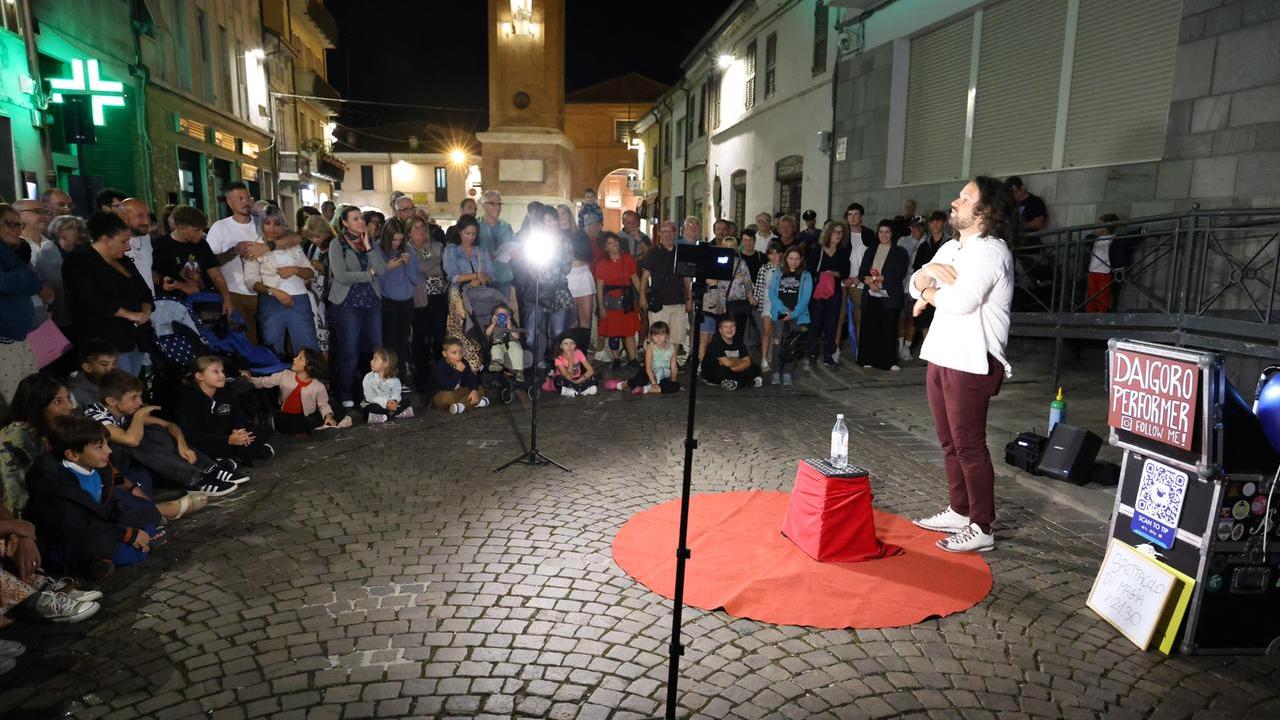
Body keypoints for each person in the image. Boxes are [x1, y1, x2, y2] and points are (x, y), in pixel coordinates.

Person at [909, 177, 1016, 554]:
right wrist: (928, 281)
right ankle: (959, 509)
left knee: (969, 445)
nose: (955, 202)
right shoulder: (953, 247)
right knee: (948, 442)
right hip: (942, 354)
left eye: (966, 198)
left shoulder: (991, 251)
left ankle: (982, 526)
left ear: (986, 211)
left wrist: (929, 291)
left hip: (972, 360)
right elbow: (914, 282)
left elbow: (961, 302)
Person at [27, 415, 163, 577]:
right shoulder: (55, 485)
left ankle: (141, 542)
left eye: (106, 444)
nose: (109, 450)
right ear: (73, 455)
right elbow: (77, 529)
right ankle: (133, 548)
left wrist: (127, 523)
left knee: (148, 511)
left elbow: (104, 506)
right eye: (99, 447)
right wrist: (125, 533)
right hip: (68, 541)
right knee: (111, 548)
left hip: (99, 526)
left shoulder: (96, 466)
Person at [85, 369, 241, 497]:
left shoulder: (125, 409)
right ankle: (195, 480)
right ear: (112, 401)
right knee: (140, 438)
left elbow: (169, 425)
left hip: (132, 459)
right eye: (134, 397)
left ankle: (209, 469)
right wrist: (139, 415)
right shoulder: (95, 415)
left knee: (154, 430)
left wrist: (182, 445)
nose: (140, 402)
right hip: (107, 466)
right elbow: (131, 440)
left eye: (140, 396)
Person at [62, 212, 153, 376]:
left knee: (132, 384)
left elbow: (144, 292)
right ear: (105, 239)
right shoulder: (79, 260)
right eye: (123, 241)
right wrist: (130, 315)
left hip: (135, 337)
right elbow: (92, 298)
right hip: (105, 340)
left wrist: (145, 312)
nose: (128, 247)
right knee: (117, 385)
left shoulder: (124, 261)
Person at [328, 205, 386, 407]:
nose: (361, 221)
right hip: (348, 303)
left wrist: (369, 247)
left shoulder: (370, 242)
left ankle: (374, 392)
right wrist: (367, 275)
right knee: (350, 350)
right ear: (344, 222)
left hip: (371, 302)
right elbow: (340, 275)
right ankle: (346, 393)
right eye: (355, 219)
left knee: (376, 349)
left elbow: (381, 269)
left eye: (361, 218)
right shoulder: (337, 244)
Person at [243, 207, 318, 358]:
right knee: (272, 351)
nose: (272, 228)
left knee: (307, 351)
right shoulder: (254, 248)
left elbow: (311, 272)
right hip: (270, 301)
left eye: (276, 223)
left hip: (299, 300)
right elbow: (250, 280)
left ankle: (310, 374)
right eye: (267, 223)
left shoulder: (292, 244)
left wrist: (296, 270)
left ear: (282, 224)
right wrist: (273, 292)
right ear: (261, 224)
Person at [175, 357, 274, 465]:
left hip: (229, 434)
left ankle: (236, 456)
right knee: (203, 448)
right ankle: (242, 454)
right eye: (215, 372)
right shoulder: (188, 400)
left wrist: (240, 431)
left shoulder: (226, 392)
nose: (222, 375)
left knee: (261, 431)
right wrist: (227, 440)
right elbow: (193, 435)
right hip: (208, 440)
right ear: (200, 376)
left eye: (222, 371)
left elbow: (238, 417)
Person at [205, 182, 269, 344]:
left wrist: (265, 248)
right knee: (245, 341)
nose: (246, 202)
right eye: (240, 199)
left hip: (264, 292)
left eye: (248, 197)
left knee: (268, 340)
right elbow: (210, 263)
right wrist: (234, 251)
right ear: (229, 202)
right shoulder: (220, 227)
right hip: (234, 293)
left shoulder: (263, 225)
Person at [0, 204, 46, 406]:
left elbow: (36, 282)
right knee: (9, 401)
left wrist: (23, 278)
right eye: (10, 224)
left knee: (29, 396)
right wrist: (24, 276)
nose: (17, 230)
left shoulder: (12, 252)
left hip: (19, 336)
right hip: (4, 338)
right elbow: (5, 282)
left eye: (18, 225)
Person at [245, 349, 348, 434]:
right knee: (291, 422)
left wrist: (328, 417)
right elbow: (264, 381)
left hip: (306, 416)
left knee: (331, 408)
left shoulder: (318, 386)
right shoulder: (285, 375)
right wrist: (249, 379)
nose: (294, 358)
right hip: (286, 416)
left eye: (300, 358)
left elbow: (323, 404)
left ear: (309, 367)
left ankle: (326, 423)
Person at [858, 219, 910, 372]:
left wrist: (877, 279)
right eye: (881, 232)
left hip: (890, 296)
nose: (884, 235)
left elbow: (899, 274)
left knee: (888, 329)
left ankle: (888, 362)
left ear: (892, 234)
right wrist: (870, 283)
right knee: (870, 328)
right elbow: (862, 272)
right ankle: (867, 359)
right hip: (871, 294)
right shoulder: (870, 250)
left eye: (887, 232)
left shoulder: (900, 252)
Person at [151, 206, 231, 301]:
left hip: (202, 300)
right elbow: (151, 274)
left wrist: (227, 300)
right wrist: (180, 285)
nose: (201, 234)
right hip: (172, 302)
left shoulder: (202, 244)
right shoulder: (160, 245)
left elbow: (216, 275)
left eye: (202, 229)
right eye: (196, 230)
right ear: (181, 228)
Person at [639, 221, 692, 364]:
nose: (667, 235)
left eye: (670, 231)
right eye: (664, 231)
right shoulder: (653, 253)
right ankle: (658, 365)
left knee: (676, 338)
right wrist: (642, 297)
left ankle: (671, 365)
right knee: (658, 338)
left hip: (678, 301)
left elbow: (686, 278)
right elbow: (645, 277)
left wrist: (689, 298)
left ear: (675, 233)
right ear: (659, 234)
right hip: (659, 303)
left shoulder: (681, 253)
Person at [375, 218, 420, 380]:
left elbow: (416, 280)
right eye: (394, 239)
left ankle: (400, 377)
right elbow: (374, 281)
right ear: (386, 237)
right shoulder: (377, 249)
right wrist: (387, 268)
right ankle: (385, 377)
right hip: (387, 302)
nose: (397, 243)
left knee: (402, 341)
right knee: (387, 341)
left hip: (406, 302)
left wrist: (407, 266)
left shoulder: (409, 250)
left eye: (400, 239)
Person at [407, 215, 448, 387]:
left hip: (439, 295)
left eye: (422, 226)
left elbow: (441, 267)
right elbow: (420, 268)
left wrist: (427, 268)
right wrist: (431, 266)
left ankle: (441, 370)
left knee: (439, 333)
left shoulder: (437, 246)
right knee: (419, 335)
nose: (421, 230)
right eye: (415, 227)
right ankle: (422, 373)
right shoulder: (407, 249)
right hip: (418, 298)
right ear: (409, 232)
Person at [806, 220, 851, 367]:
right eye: (835, 232)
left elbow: (846, 272)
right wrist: (822, 274)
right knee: (815, 324)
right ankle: (812, 355)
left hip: (834, 291)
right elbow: (809, 269)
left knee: (831, 324)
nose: (838, 235)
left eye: (841, 232)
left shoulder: (843, 251)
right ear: (828, 233)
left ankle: (828, 356)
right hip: (818, 291)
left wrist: (836, 273)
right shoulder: (817, 249)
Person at [593, 232, 640, 369]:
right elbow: (599, 288)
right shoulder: (602, 264)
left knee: (629, 331)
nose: (615, 245)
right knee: (613, 332)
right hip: (610, 302)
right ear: (605, 248)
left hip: (627, 300)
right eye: (610, 243)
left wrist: (642, 296)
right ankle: (616, 359)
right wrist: (601, 308)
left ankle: (633, 359)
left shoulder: (628, 259)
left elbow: (635, 279)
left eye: (615, 241)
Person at [769, 246, 813, 386]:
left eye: (797, 259)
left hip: (798, 315)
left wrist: (793, 313)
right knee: (778, 344)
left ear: (801, 260)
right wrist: (783, 310)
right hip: (780, 314)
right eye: (791, 258)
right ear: (786, 258)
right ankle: (776, 372)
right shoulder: (778, 272)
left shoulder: (806, 275)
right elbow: (772, 293)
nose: (794, 262)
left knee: (793, 345)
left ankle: (787, 373)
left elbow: (806, 297)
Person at [37, 215, 88, 330]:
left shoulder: (79, 251)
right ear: (60, 232)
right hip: (59, 315)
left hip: (76, 312)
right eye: (73, 228)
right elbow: (56, 286)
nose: (79, 233)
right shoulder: (49, 251)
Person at [911, 210, 951, 348]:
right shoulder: (924, 245)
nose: (935, 224)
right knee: (925, 322)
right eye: (932, 222)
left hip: (944, 288)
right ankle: (929, 353)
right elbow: (917, 268)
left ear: (944, 223)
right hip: (926, 288)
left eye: (938, 221)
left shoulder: (951, 243)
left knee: (942, 322)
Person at [300, 214, 334, 354]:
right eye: (311, 237)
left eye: (317, 237)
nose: (314, 240)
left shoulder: (336, 246)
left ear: (326, 233)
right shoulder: (312, 247)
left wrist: (323, 268)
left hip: (330, 299)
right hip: (316, 297)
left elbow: (340, 274)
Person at [700, 317, 762, 391]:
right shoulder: (716, 342)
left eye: (732, 326)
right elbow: (727, 363)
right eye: (726, 327)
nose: (729, 329)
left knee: (755, 368)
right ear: (720, 330)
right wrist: (741, 361)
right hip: (715, 372)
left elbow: (748, 362)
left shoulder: (738, 341)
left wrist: (734, 363)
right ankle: (749, 382)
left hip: (733, 369)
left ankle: (736, 383)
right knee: (725, 370)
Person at [431, 337, 489, 414]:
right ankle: (473, 403)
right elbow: (448, 387)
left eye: (460, 352)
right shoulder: (440, 367)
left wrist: (474, 390)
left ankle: (461, 405)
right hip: (444, 393)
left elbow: (471, 377)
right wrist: (458, 371)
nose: (458, 356)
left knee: (478, 387)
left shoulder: (463, 362)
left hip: (460, 392)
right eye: (454, 353)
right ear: (444, 354)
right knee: (448, 397)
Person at [896, 216, 927, 362]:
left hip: (917, 286)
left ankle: (907, 347)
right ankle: (900, 345)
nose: (915, 230)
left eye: (919, 227)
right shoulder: (903, 241)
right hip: (902, 285)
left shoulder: (927, 241)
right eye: (913, 227)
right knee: (901, 317)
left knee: (913, 318)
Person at [477, 190, 515, 302]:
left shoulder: (506, 227)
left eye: (499, 204)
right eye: (493, 204)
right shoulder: (476, 225)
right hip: (483, 278)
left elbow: (514, 246)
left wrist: (515, 253)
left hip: (503, 277)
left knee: (503, 310)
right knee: (484, 310)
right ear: (484, 205)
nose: (497, 207)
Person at [569, 210, 602, 334]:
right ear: (591, 225)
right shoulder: (579, 237)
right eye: (598, 225)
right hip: (574, 276)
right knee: (575, 319)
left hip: (583, 276)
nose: (600, 229)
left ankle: (582, 344)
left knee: (584, 319)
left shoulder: (590, 239)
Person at [624, 321, 680, 394]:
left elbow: (674, 367)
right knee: (639, 380)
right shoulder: (651, 347)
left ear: (667, 335)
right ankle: (625, 384)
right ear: (651, 336)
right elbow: (648, 369)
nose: (658, 337)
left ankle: (645, 390)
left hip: (662, 374)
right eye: (655, 335)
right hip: (649, 372)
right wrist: (654, 383)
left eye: (661, 334)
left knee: (675, 386)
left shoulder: (671, 348)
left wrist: (672, 382)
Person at [752, 241, 782, 373]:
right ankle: (764, 359)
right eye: (771, 254)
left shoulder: (785, 268)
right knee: (767, 331)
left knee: (779, 333)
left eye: (777, 253)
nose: (774, 256)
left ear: (781, 254)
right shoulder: (764, 268)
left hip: (781, 305)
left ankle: (775, 357)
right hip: (767, 304)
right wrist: (756, 299)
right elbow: (759, 287)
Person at [116, 198, 155, 297]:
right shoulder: (112, 244)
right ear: (123, 217)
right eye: (140, 216)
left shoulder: (145, 237)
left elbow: (146, 271)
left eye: (148, 216)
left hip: (150, 303)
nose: (146, 221)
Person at [443, 214, 493, 290]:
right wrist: (476, 276)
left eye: (474, 234)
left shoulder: (482, 250)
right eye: (467, 233)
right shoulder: (451, 250)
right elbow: (453, 277)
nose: (470, 237)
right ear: (459, 231)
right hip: (459, 293)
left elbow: (491, 275)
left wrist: (483, 279)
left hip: (480, 292)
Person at [361, 348, 410, 423]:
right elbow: (370, 397)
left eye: (375, 359)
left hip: (390, 405)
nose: (371, 361)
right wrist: (386, 403)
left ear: (385, 364)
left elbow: (396, 393)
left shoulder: (395, 380)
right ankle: (392, 414)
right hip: (376, 404)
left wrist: (393, 401)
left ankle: (385, 416)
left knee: (406, 401)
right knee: (368, 409)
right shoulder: (368, 377)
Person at [1085, 213, 1120, 313]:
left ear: (1105, 227)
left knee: (1103, 296)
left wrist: (1141, 231)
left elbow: (1130, 239)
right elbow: (1087, 239)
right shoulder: (1094, 239)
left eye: (1098, 225)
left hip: (1105, 272)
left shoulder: (1115, 239)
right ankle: (1090, 314)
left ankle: (1102, 315)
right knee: (1091, 295)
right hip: (1092, 271)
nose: (1095, 227)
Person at [484, 303, 526, 381]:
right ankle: (496, 362)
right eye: (499, 315)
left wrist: (510, 327)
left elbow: (517, 336)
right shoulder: (493, 326)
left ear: (508, 317)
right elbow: (487, 333)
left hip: (511, 346)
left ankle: (519, 371)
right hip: (499, 345)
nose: (502, 317)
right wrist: (493, 323)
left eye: (504, 315)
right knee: (495, 347)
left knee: (516, 347)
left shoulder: (511, 325)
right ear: (494, 316)